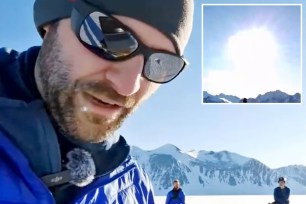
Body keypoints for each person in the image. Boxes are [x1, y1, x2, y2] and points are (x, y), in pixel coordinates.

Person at [0, 0, 194, 203]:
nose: (128, 86)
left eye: (161, 63)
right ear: (50, 20)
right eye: (109, 38)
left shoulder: (132, 188)